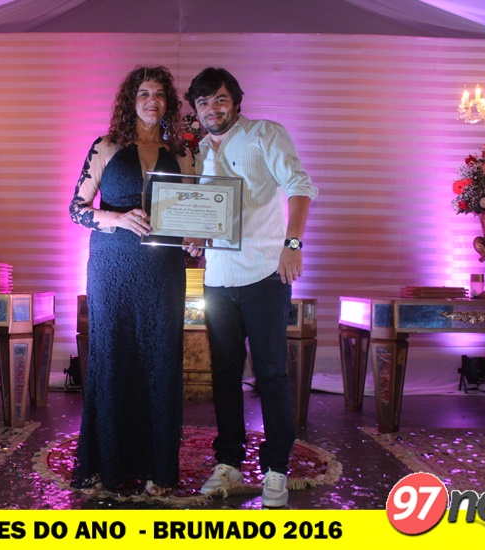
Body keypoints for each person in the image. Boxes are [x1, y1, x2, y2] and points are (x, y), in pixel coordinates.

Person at [184, 67, 318, 507]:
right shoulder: (198, 152)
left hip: (265, 274)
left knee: (271, 374)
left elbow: (300, 187)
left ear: (236, 102)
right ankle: (229, 463)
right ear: (196, 110)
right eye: (203, 102)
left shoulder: (265, 134)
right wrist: (196, 236)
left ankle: (276, 468)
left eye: (220, 99)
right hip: (218, 279)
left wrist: (292, 245)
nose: (212, 109)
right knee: (224, 376)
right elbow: (208, 213)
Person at [68, 65, 195, 496]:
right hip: (112, 266)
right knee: (112, 355)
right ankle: (107, 463)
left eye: (159, 94)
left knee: (160, 358)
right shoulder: (105, 146)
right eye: (144, 93)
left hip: (163, 270)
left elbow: (193, 211)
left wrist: (197, 237)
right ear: (131, 100)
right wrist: (118, 218)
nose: (152, 101)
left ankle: (159, 468)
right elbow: (77, 209)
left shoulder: (182, 152)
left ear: (168, 103)